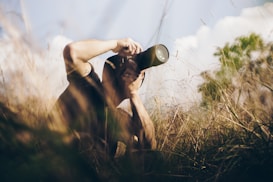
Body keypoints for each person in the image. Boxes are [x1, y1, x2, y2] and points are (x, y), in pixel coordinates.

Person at [52, 38, 157, 158]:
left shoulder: (118, 118)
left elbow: (149, 146)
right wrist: (116, 44)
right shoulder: (87, 85)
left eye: (137, 73)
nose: (131, 72)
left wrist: (133, 93)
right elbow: (72, 52)